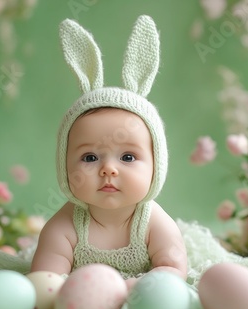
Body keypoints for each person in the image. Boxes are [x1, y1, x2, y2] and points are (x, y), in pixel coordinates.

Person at [30, 15, 187, 289]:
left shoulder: (153, 222)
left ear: (156, 165)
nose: (108, 170)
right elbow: (45, 284)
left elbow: (173, 270)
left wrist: (133, 288)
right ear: (65, 167)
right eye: (90, 158)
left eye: (127, 157)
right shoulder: (64, 228)